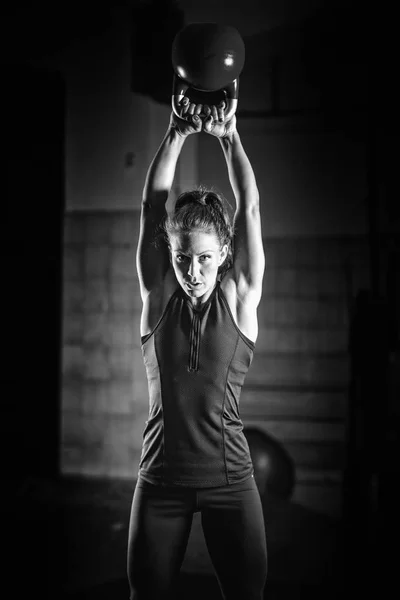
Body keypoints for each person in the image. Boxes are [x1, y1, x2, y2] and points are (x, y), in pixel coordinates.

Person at [127, 97, 267, 600]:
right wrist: (176, 133)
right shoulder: (158, 296)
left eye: (206, 258)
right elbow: (151, 206)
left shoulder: (240, 295)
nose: (193, 272)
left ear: (224, 253)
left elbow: (248, 206)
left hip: (230, 477)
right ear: (171, 253)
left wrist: (229, 138)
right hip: (160, 479)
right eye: (183, 258)